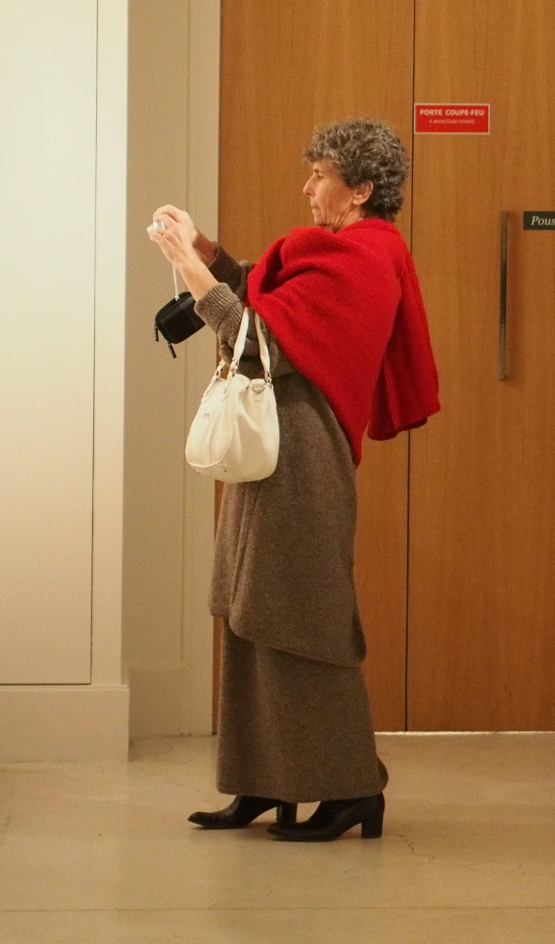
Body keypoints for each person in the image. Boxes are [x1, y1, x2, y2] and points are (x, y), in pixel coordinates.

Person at [149, 117, 439, 843]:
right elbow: (266, 298)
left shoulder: (365, 258)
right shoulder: (343, 252)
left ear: (361, 189)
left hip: (302, 459)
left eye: (320, 175)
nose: (307, 187)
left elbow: (260, 340)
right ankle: (264, 781)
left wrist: (190, 269)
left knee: (302, 621)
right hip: (275, 450)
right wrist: (206, 250)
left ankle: (351, 789)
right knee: (251, 610)